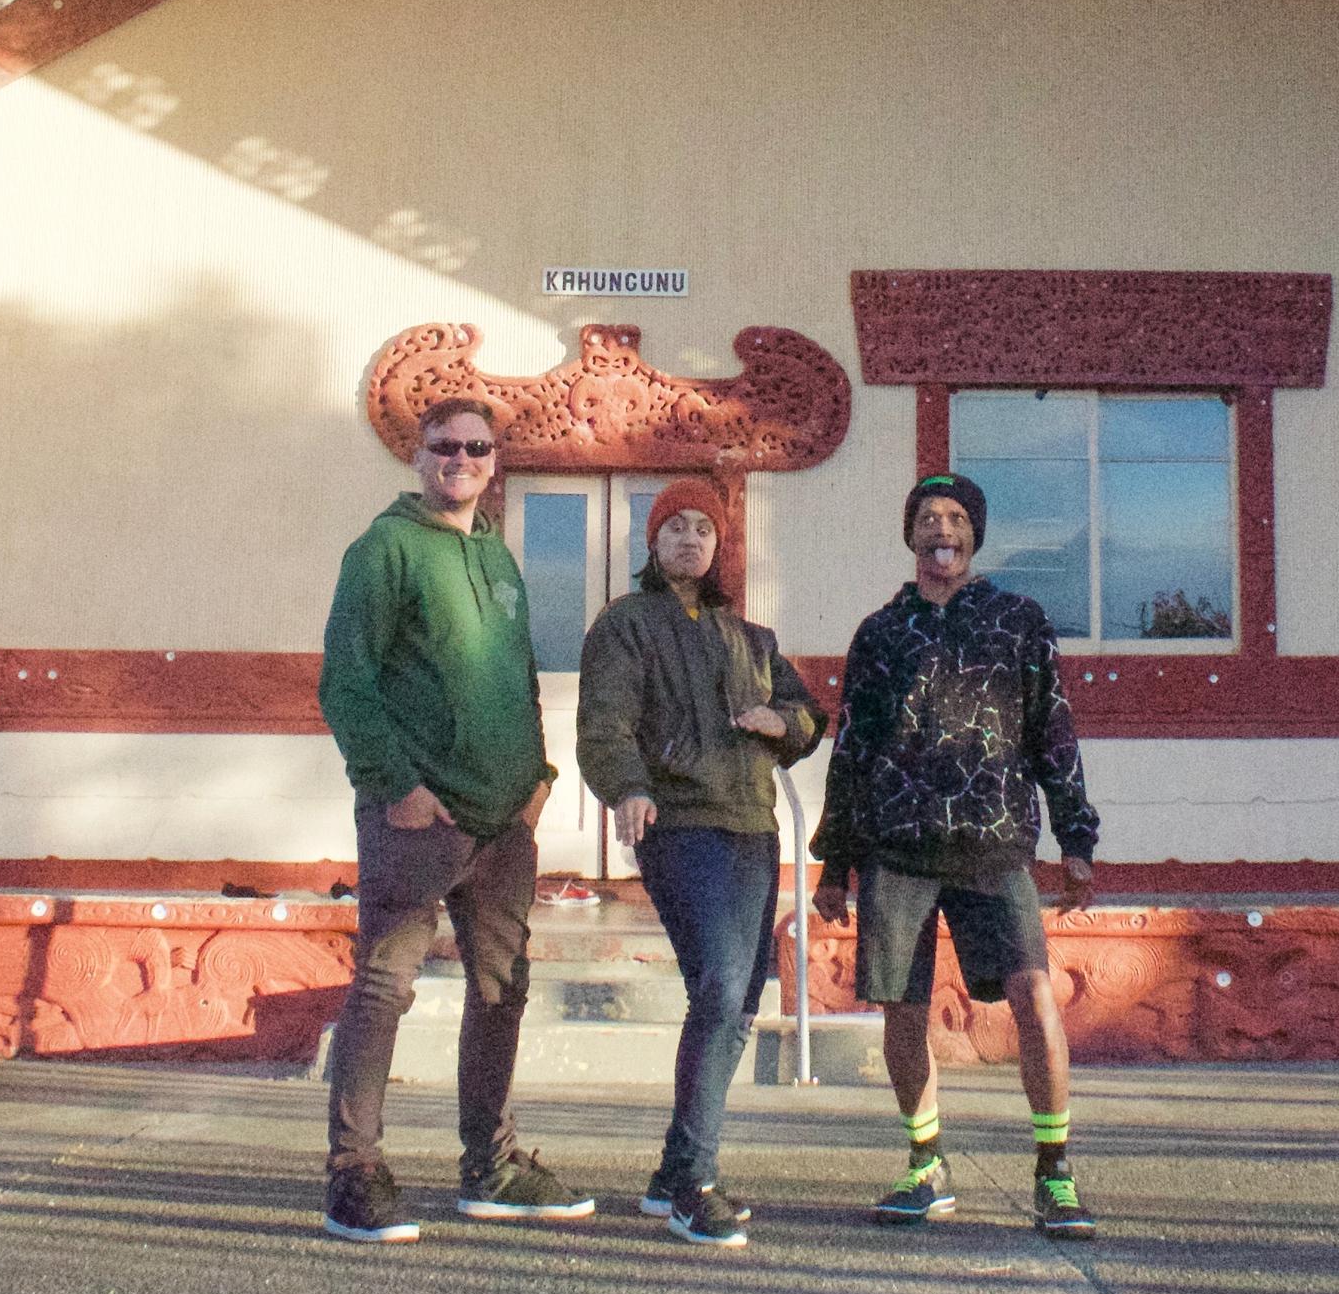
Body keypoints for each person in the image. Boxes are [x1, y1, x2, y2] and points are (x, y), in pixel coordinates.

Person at [314, 397, 596, 1244]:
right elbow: (346, 684)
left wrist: (541, 775)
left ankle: (492, 1166)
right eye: (445, 447)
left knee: (502, 990)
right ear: (418, 455)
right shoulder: (384, 551)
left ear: (494, 462)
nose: (461, 460)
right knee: (383, 987)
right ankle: (354, 1173)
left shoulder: (498, 560)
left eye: (477, 448)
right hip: (418, 818)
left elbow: (515, 681)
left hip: (503, 824)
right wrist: (393, 783)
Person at [812, 470, 1101, 1238]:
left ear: (974, 535)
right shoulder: (879, 633)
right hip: (896, 848)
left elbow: (1054, 732)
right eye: (927, 518)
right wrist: (833, 860)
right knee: (902, 1013)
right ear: (910, 536)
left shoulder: (1017, 620)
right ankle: (924, 1165)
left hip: (994, 843)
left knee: (1035, 999)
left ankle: (1055, 1173)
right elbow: (852, 748)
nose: (942, 530)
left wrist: (1076, 837)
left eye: (955, 518)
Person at [575, 477, 828, 1248]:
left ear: (720, 546)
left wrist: (778, 719)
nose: (690, 540)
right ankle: (693, 1183)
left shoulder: (750, 639)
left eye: (704, 530)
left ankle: (670, 1174)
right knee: (719, 991)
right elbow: (605, 723)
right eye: (675, 527)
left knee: (740, 1000)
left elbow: (812, 716)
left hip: (753, 828)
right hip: (682, 827)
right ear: (651, 542)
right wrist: (628, 789)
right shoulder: (626, 625)